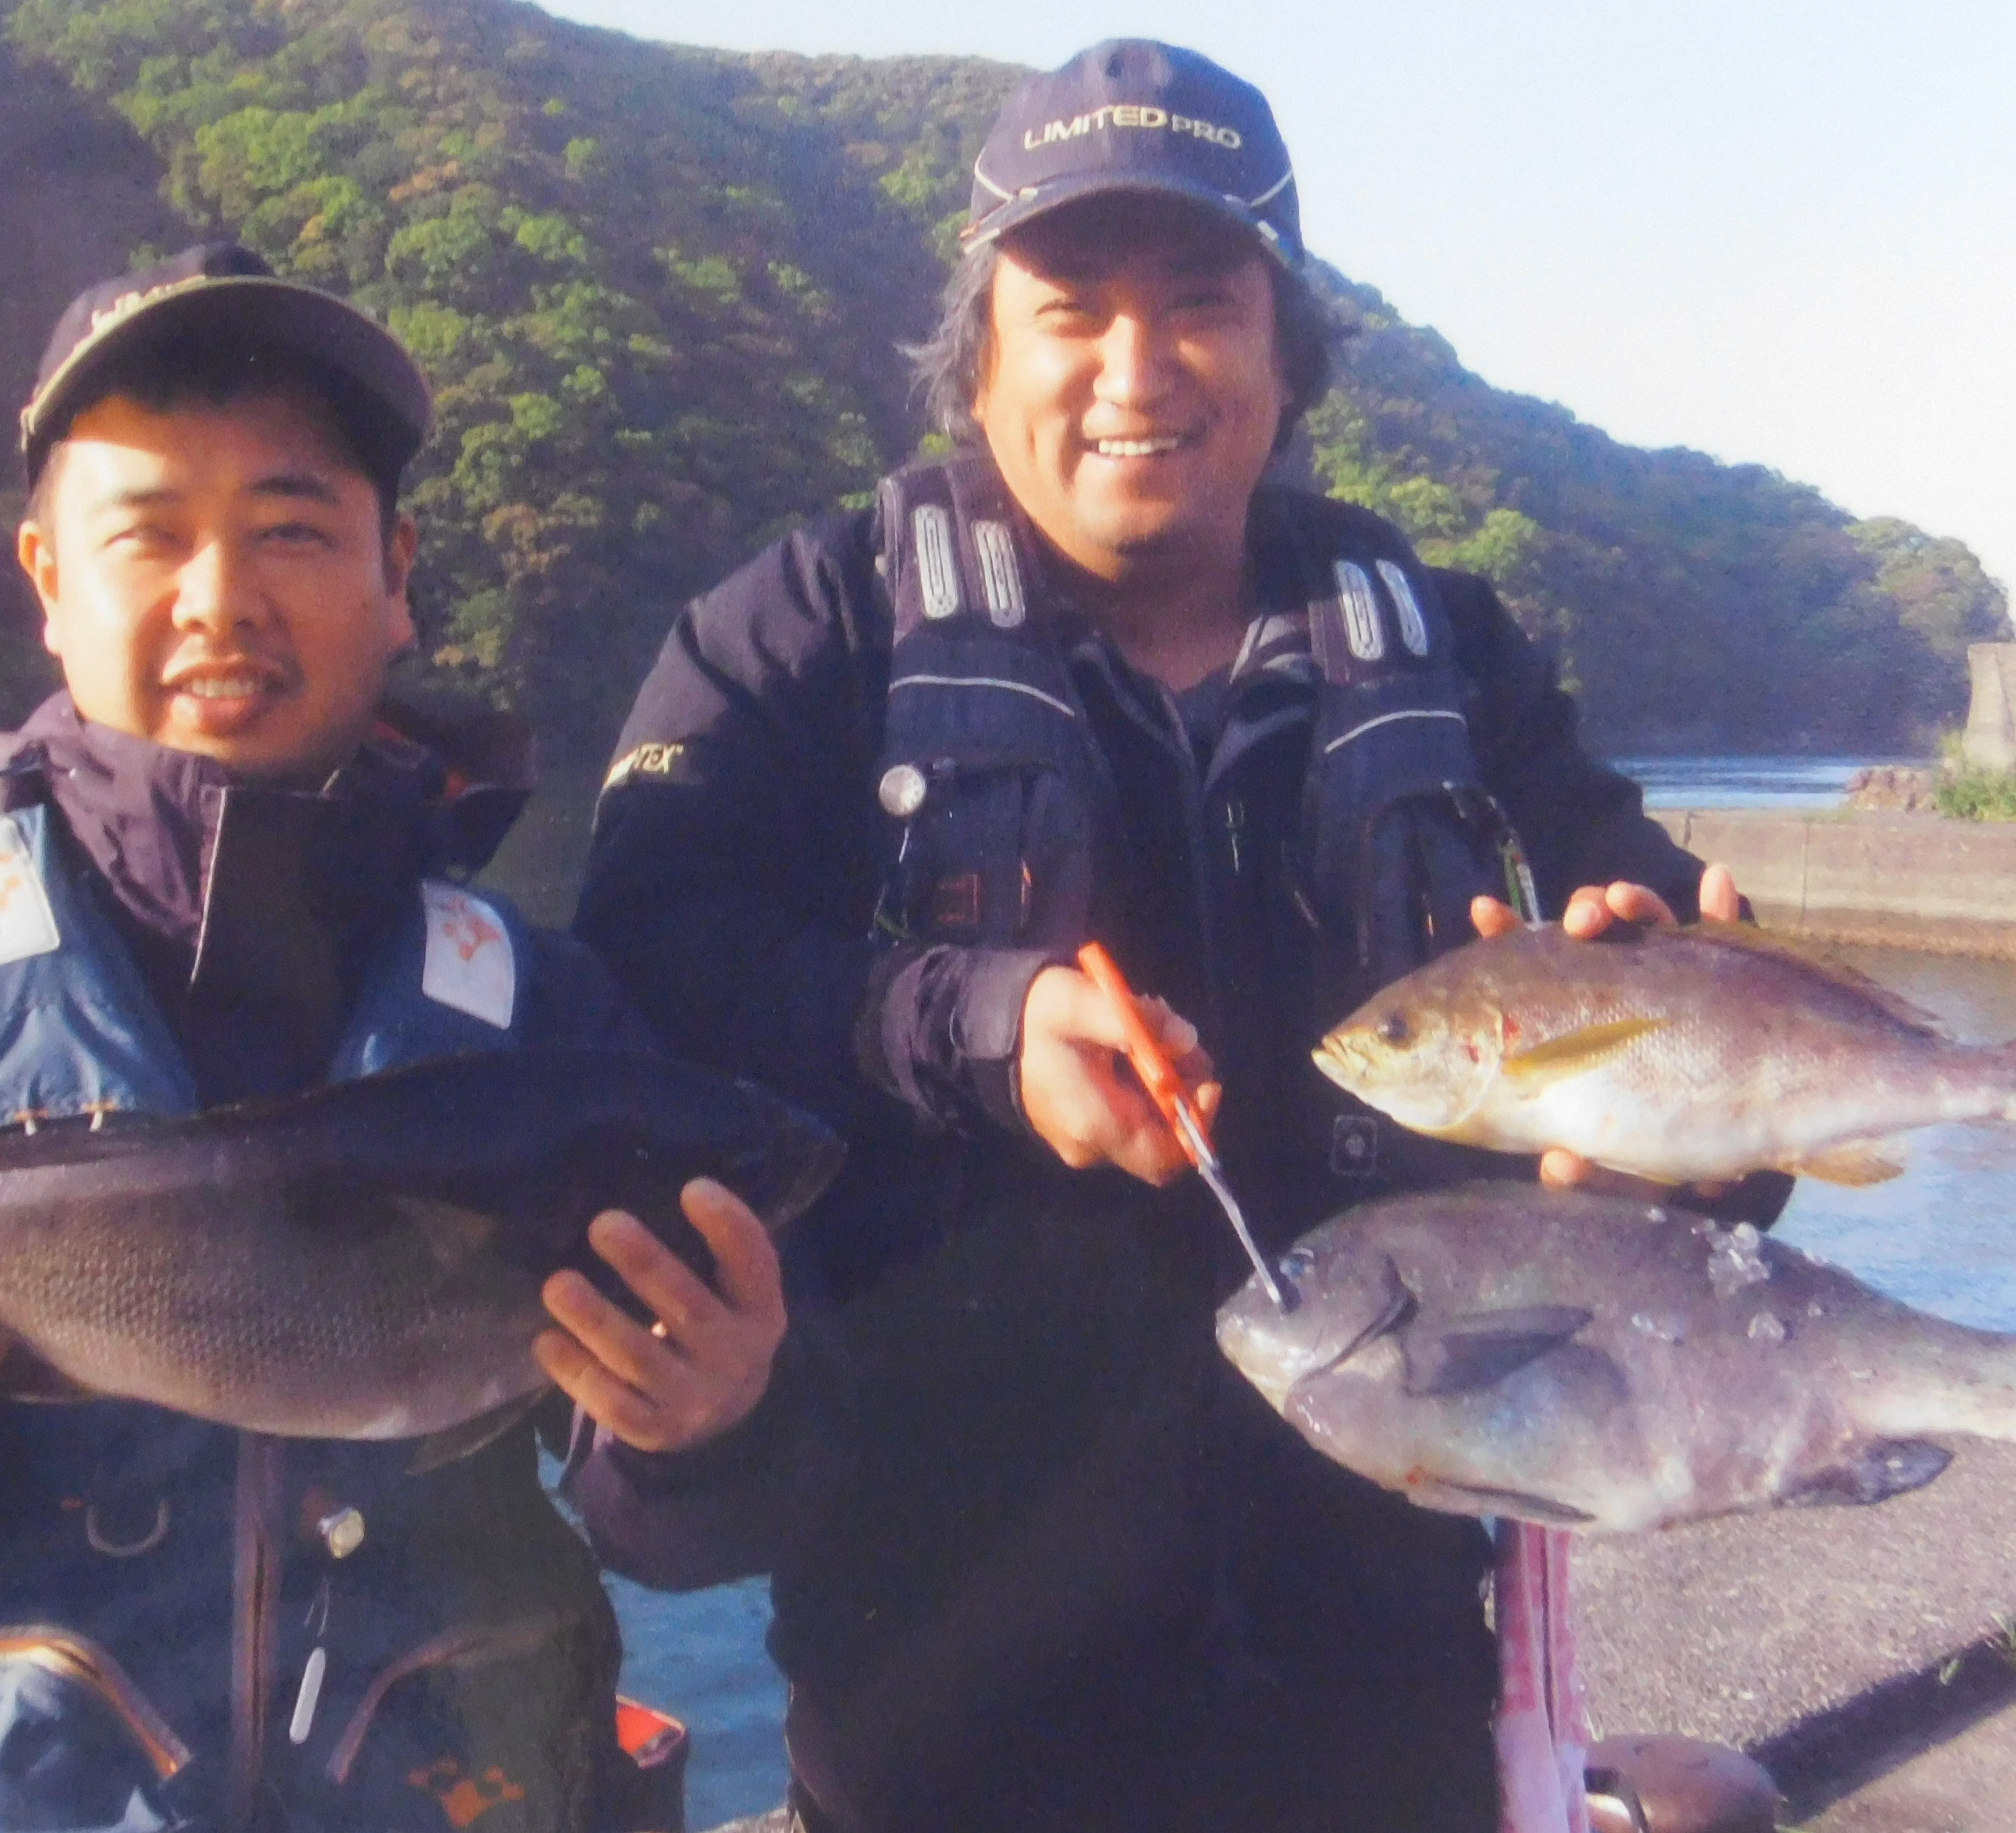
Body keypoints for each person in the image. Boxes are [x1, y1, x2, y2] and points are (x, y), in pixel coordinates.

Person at [567, 40, 1765, 1833]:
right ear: (977, 353)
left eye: (1201, 302)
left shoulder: (1440, 644)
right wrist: (973, 1017)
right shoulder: (805, 629)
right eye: (1069, 310)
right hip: (945, 1706)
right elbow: (640, 962)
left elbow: (1664, 947)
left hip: (1383, 1679)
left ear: (1287, 356)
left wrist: (1690, 1072)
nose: (1136, 370)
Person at [0, 243, 788, 1833]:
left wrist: (703, 1428)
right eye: (147, 534)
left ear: (397, 577)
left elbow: (670, 1532)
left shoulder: (540, 1008)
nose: (220, 595)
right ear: (45, 580)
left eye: (292, 529)